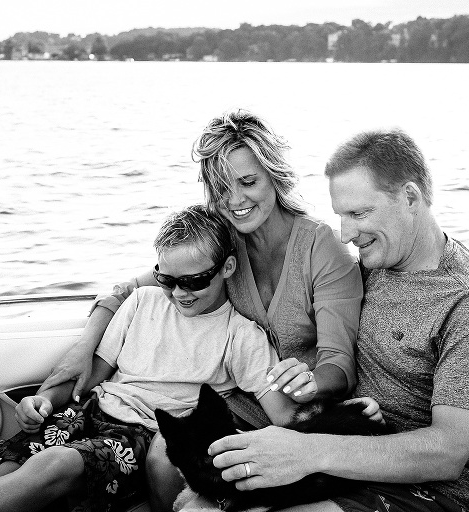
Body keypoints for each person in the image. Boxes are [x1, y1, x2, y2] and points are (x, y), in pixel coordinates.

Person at [40, 110, 363, 509]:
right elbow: (130, 288)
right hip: (229, 404)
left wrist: (311, 382)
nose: (236, 200)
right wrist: (84, 346)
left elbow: (339, 365)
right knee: (162, 452)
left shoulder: (322, 248)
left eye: (249, 182)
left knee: (164, 456)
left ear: (275, 176)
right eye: (222, 187)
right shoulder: (224, 237)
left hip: (290, 413)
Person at [208, 129, 469, 512]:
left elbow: (446, 454)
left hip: (441, 492)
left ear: (410, 197)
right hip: (351, 446)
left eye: (359, 214)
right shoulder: (377, 264)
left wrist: (306, 451)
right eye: (341, 215)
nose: (346, 234)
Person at [0, 204, 310, 512]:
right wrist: (44, 400)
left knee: (55, 464)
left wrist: (325, 403)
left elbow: (284, 416)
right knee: (8, 465)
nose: (179, 293)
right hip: (89, 412)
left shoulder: (240, 335)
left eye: (194, 281)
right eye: (167, 280)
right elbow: (93, 373)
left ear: (227, 268)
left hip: (143, 436)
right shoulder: (141, 303)